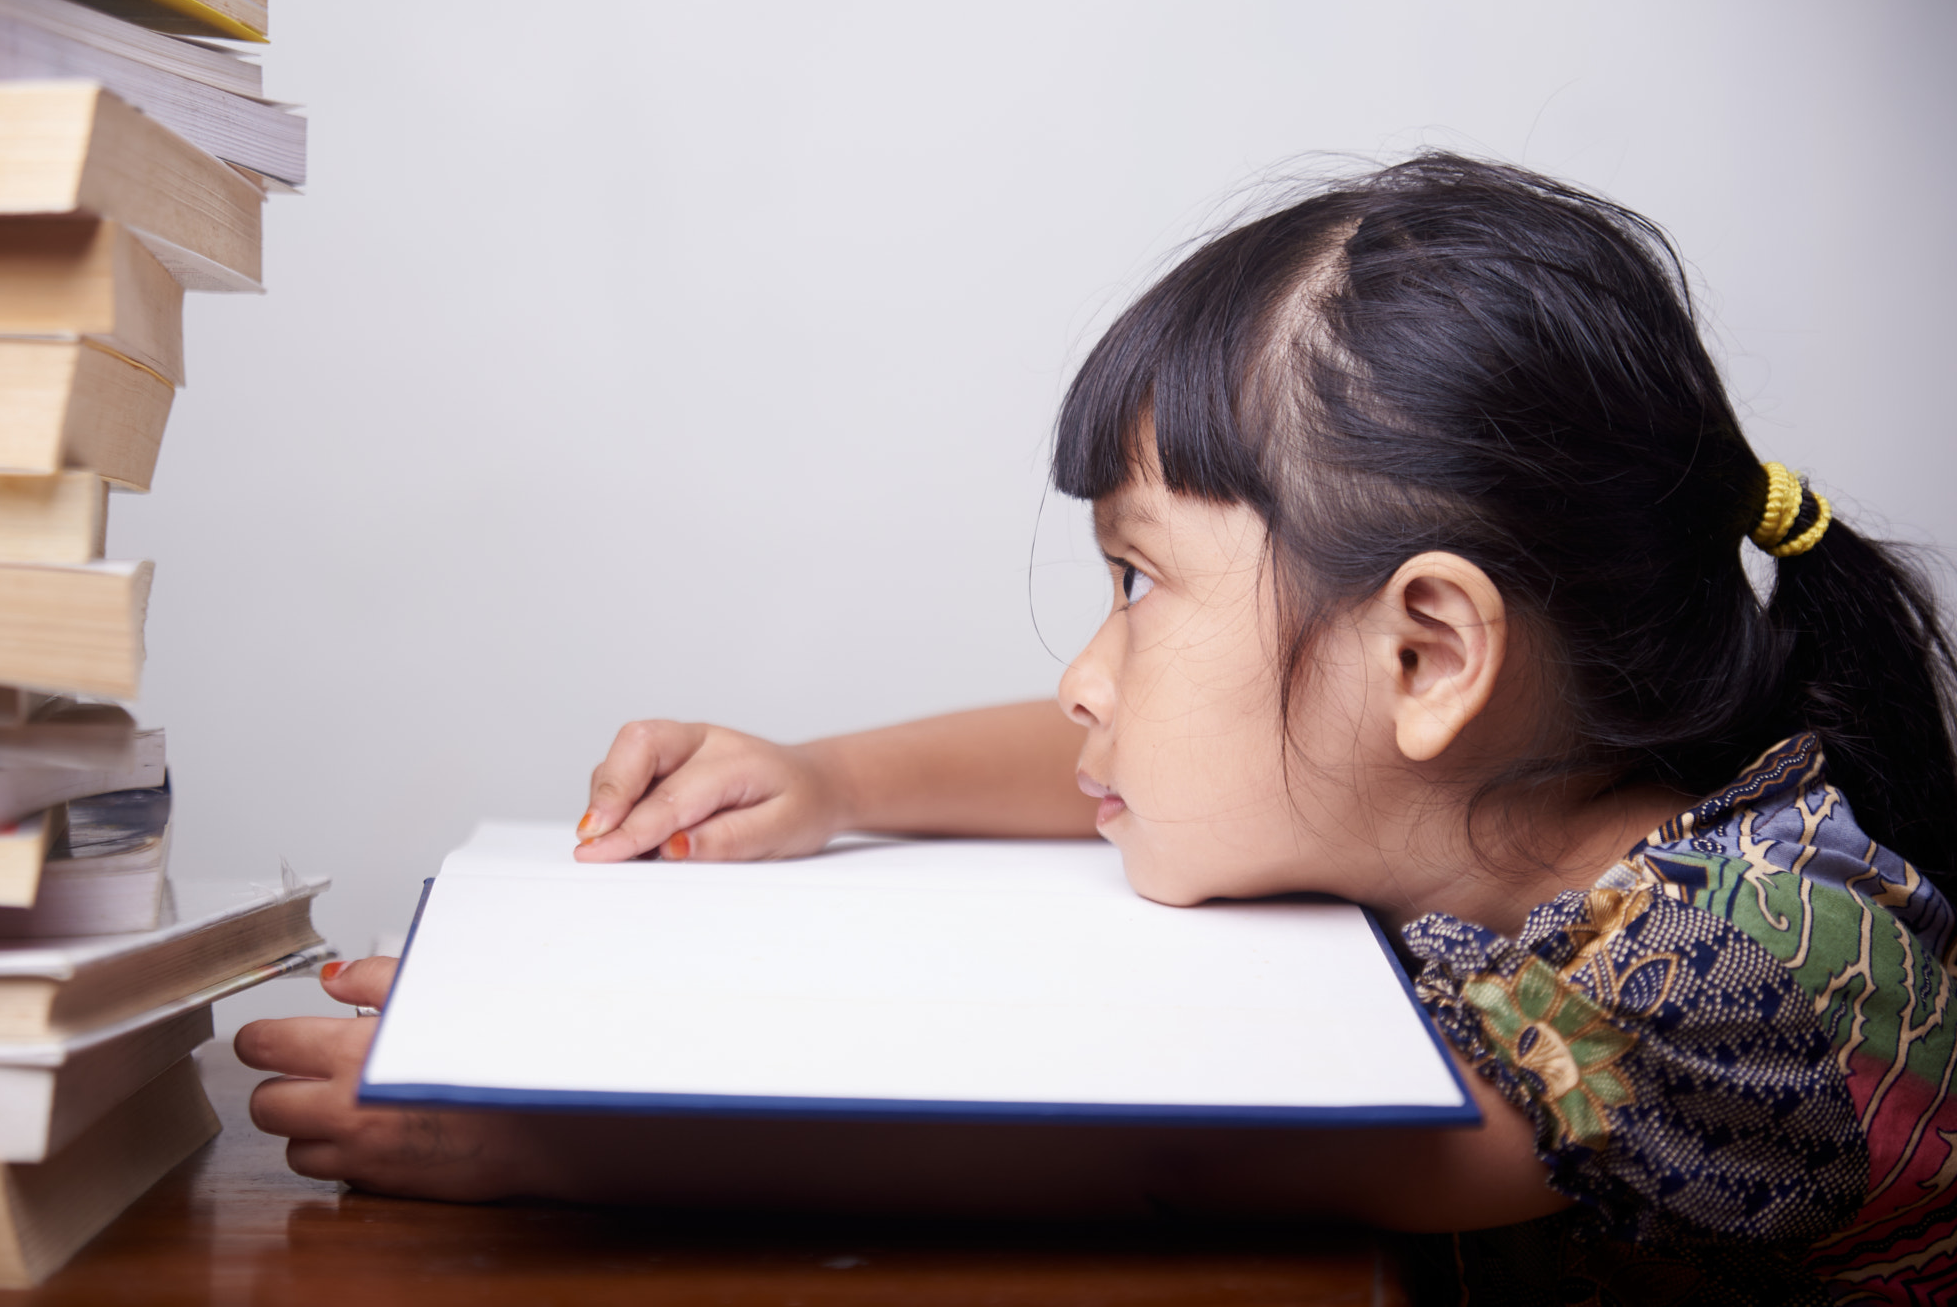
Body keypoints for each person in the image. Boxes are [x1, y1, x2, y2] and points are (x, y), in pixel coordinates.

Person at [240, 155, 1957, 1304]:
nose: (1088, 675)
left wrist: (558, 1135)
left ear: (1427, 654)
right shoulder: (1475, 810)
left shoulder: (1761, 968)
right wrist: (833, 778)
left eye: (1141, 584)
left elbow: (1184, 1165)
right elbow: (1118, 770)